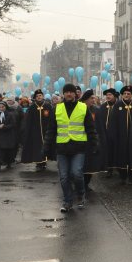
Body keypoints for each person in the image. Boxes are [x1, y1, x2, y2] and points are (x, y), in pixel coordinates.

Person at [43, 83, 98, 213]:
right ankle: (67, 201)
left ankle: (80, 195)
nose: (69, 94)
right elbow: (51, 130)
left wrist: (95, 144)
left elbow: (90, 128)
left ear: (75, 94)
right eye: (66, 92)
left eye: (71, 92)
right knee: (63, 176)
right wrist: (46, 146)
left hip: (78, 147)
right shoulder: (57, 108)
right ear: (63, 94)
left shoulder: (83, 108)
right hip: (62, 148)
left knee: (77, 173)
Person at [110, 85, 132, 185]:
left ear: (131, 95)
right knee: (121, 156)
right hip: (121, 137)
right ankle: (122, 177)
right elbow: (113, 122)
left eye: (128, 94)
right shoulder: (118, 105)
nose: (126, 95)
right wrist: (113, 136)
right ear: (122, 95)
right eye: (125, 94)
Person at [21, 89, 53, 171]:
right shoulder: (32, 107)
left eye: (40, 96)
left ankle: (44, 162)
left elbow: (51, 118)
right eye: (37, 96)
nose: (39, 97)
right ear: (35, 97)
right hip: (35, 132)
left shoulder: (47, 106)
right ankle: (39, 163)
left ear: (43, 96)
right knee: (37, 148)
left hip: (46, 131)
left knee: (45, 147)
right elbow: (28, 120)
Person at [80, 89, 101, 190]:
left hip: (92, 140)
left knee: (91, 164)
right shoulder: (79, 109)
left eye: (94, 98)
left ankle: (86, 183)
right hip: (80, 140)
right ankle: (79, 184)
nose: (93, 100)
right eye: (91, 98)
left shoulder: (96, 110)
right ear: (85, 100)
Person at [97, 88, 118, 181]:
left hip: (116, 134)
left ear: (114, 96)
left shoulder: (118, 106)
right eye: (107, 95)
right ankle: (108, 169)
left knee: (116, 151)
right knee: (107, 152)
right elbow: (99, 120)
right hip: (105, 134)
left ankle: (118, 168)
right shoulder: (102, 107)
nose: (108, 97)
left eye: (110, 95)